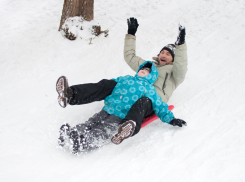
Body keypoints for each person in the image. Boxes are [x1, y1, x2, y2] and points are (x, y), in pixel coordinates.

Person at [56, 61, 184, 154]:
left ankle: (84, 142)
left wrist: (171, 119)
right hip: (107, 109)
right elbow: (107, 85)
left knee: (103, 129)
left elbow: (159, 105)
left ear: (151, 76)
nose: (144, 70)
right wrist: (107, 86)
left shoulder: (149, 89)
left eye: (147, 71)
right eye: (142, 69)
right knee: (91, 122)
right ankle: (70, 102)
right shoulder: (125, 79)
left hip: (121, 116)